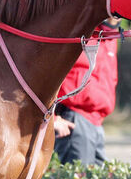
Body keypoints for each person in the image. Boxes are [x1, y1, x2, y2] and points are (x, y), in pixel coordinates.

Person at [52, 19, 121, 165]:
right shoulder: (78, 32)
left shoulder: (111, 37)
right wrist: (53, 118)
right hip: (74, 120)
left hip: (97, 123)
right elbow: (46, 76)